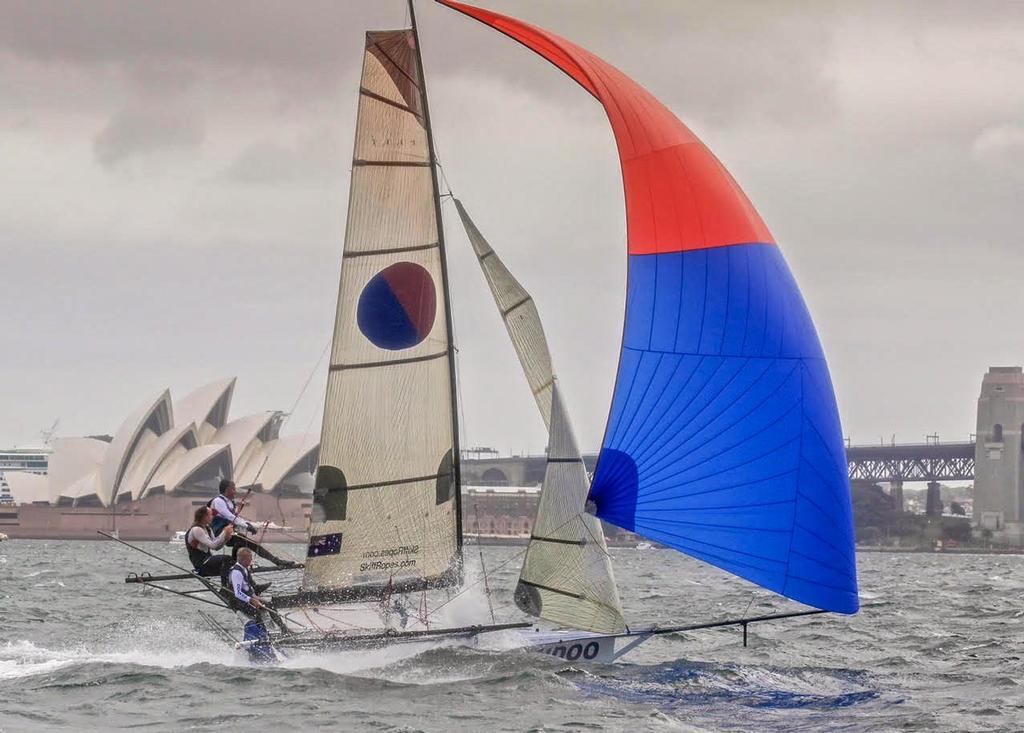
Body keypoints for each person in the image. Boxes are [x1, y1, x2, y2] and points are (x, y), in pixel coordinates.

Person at [209, 479, 297, 568]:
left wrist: (248, 524)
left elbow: (236, 518)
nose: (235, 492)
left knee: (244, 544)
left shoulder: (230, 502)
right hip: (220, 533)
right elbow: (230, 517)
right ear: (227, 489)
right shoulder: (218, 501)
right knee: (249, 543)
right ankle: (277, 561)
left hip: (230, 532)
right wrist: (246, 526)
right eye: (233, 489)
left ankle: (234, 565)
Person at [227, 547, 288, 633]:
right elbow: (237, 593)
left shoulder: (245, 569)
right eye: (250, 558)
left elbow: (247, 588)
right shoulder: (236, 572)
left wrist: (256, 598)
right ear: (244, 559)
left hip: (247, 597)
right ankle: (264, 634)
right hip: (237, 601)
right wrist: (251, 600)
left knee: (269, 605)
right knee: (256, 612)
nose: (251, 560)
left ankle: (284, 629)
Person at [184, 506, 235, 580]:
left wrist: (226, 539)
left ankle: (229, 586)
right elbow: (213, 545)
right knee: (227, 559)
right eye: (211, 515)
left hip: (208, 560)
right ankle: (224, 587)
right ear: (204, 516)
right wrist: (224, 532)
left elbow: (217, 547)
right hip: (201, 563)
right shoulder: (196, 529)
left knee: (232, 561)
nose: (213, 517)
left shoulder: (208, 529)